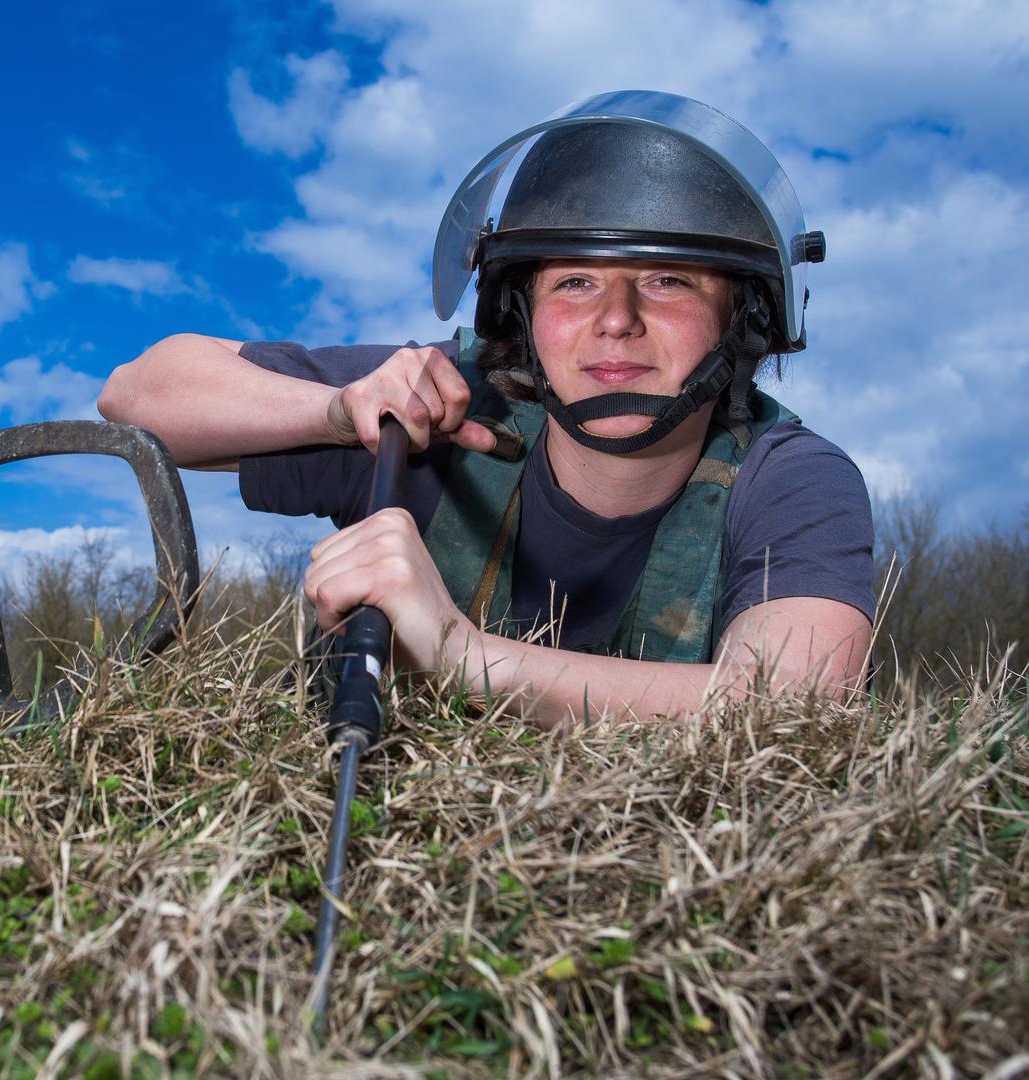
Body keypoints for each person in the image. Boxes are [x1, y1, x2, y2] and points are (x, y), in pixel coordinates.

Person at [98, 91, 873, 727]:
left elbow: (796, 705)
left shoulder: (793, 478)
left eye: (669, 281)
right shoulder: (443, 404)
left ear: (742, 321)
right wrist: (340, 412)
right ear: (523, 315)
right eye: (574, 281)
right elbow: (136, 396)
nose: (616, 318)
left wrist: (462, 655)